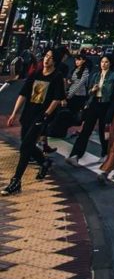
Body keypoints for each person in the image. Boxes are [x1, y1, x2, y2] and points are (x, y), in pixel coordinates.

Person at [1, 50, 66, 195]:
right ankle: (44, 162)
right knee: (26, 144)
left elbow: (57, 99)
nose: (47, 60)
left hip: (40, 117)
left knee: (25, 147)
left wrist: (46, 114)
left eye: (50, 58)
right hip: (28, 115)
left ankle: (16, 181)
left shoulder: (57, 77)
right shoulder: (36, 74)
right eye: (46, 57)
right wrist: (14, 113)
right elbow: (23, 94)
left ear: (55, 61)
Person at [67, 56, 114, 163]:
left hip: (106, 105)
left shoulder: (113, 76)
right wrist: (93, 90)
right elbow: (89, 91)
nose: (103, 64)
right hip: (94, 103)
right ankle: (75, 155)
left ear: (110, 63)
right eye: (102, 62)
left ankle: (105, 153)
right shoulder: (96, 75)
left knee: (102, 131)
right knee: (86, 129)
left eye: (106, 62)